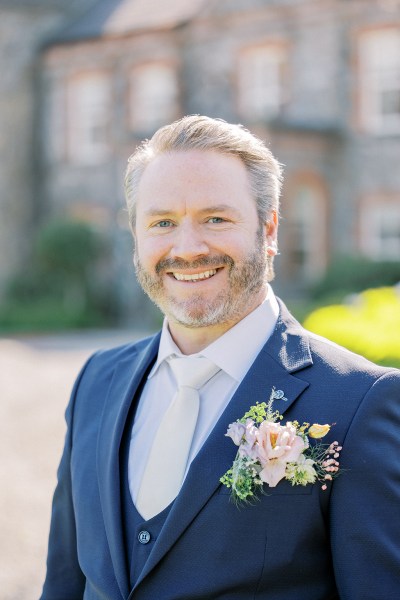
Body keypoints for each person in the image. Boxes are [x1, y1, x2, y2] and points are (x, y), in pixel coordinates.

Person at [40, 115, 400, 600]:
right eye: (162, 222)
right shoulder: (96, 381)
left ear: (269, 229)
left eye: (216, 218)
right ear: (136, 235)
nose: (187, 249)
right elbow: (64, 582)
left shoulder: (361, 402)